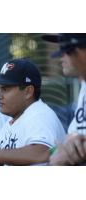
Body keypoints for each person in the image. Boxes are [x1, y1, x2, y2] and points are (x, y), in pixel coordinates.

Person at [0, 58, 66, 166]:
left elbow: (42, 152)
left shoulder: (39, 115)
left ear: (28, 92)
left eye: (5, 89)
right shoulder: (12, 120)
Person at [42, 33, 86, 165]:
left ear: (81, 52)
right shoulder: (83, 86)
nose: (61, 58)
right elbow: (74, 135)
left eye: (65, 51)